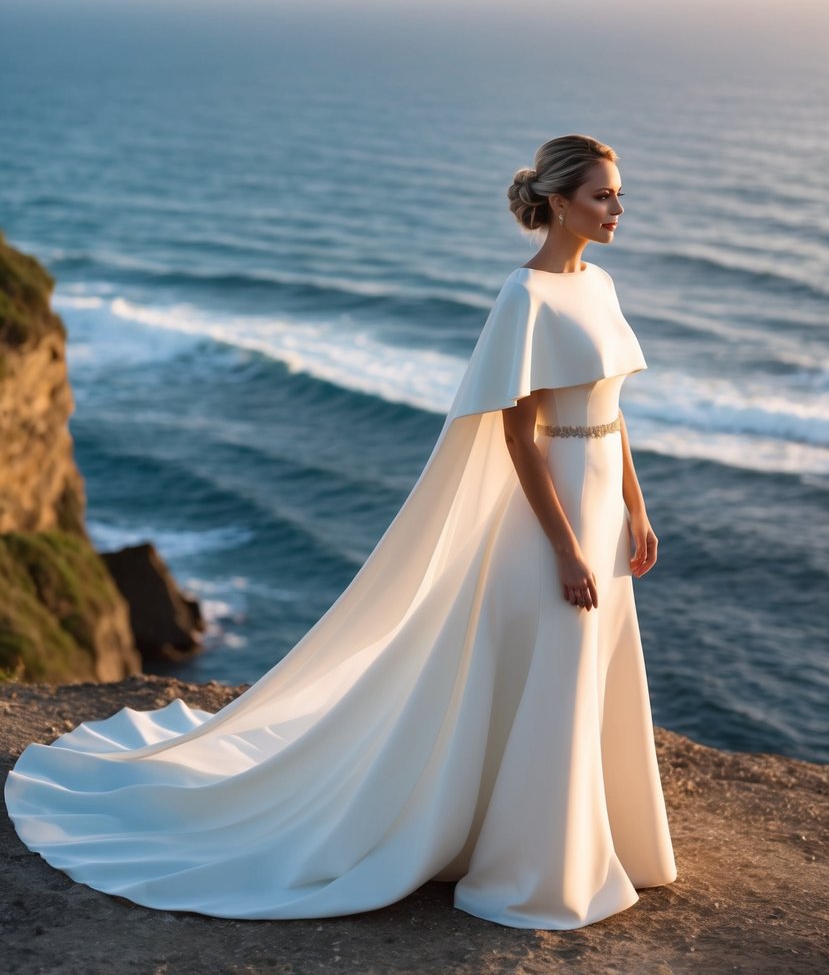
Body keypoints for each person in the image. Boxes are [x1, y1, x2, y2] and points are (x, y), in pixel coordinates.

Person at [5, 133, 677, 930]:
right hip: (553, 517)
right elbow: (517, 434)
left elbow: (610, 414)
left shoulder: (598, 285)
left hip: (603, 502)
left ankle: (593, 837)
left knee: (587, 665)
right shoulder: (522, 298)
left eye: (618, 195)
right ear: (559, 203)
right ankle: (536, 860)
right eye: (603, 196)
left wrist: (635, 507)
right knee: (554, 660)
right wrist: (565, 546)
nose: (616, 210)